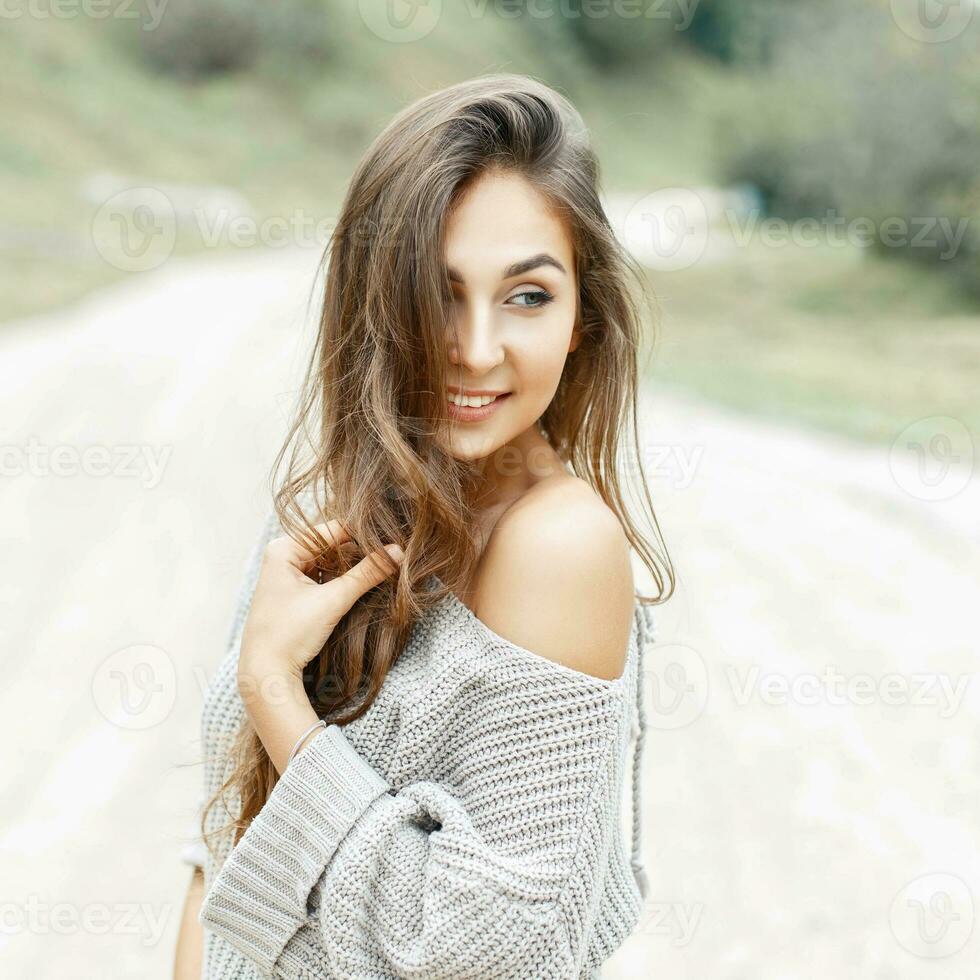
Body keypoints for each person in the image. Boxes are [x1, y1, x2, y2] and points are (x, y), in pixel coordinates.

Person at [173, 72, 673, 980]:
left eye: (527, 296)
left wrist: (278, 696)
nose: (477, 349)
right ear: (376, 301)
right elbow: (224, 850)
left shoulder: (558, 546)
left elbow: (477, 955)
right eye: (439, 292)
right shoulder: (340, 503)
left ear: (581, 321)